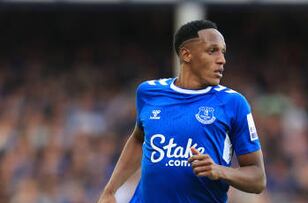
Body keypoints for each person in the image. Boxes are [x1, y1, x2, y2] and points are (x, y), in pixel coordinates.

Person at [98, 19, 266, 203]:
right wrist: (110, 190)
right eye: (212, 51)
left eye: (223, 52)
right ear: (186, 54)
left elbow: (258, 179)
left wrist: (220, 170)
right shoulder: (148, 93)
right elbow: (139, 138)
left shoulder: (233, 103)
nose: (222, 60)